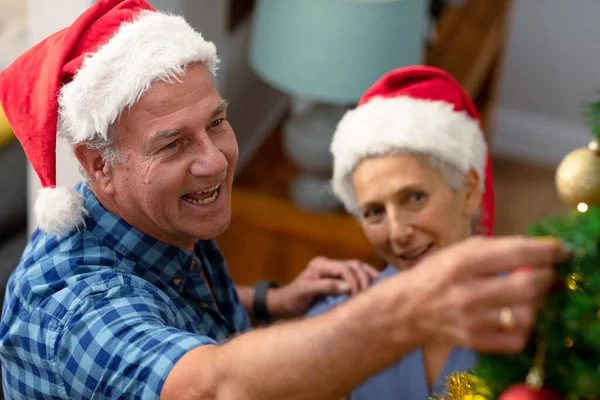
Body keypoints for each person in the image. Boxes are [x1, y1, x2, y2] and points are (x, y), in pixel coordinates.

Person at [0, 1, 567, 399]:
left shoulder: (143, 223)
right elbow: (212, 387)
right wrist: (412, 308)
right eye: (173, 143)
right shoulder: (73, 307)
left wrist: (271, 302)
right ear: (100, 166)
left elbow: (167, 303)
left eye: (216, 122)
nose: (216, 160)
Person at [307, 65, 496, 399]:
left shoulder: (536, 313)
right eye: (374, 212)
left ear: (468, 191)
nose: (397, 233)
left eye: (414, 198)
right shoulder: (336, 315)